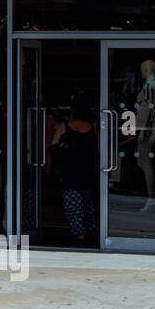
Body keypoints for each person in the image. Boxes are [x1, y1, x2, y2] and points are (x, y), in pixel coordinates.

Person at [50, 97, 100, 242]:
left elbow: (53, 145)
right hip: (87, 171)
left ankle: (78, 232)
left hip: (69, 170)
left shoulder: (65, 126)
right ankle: (90, 229)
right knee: (87, 203)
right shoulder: (93, 128)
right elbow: (98, 151)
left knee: (73, 203)